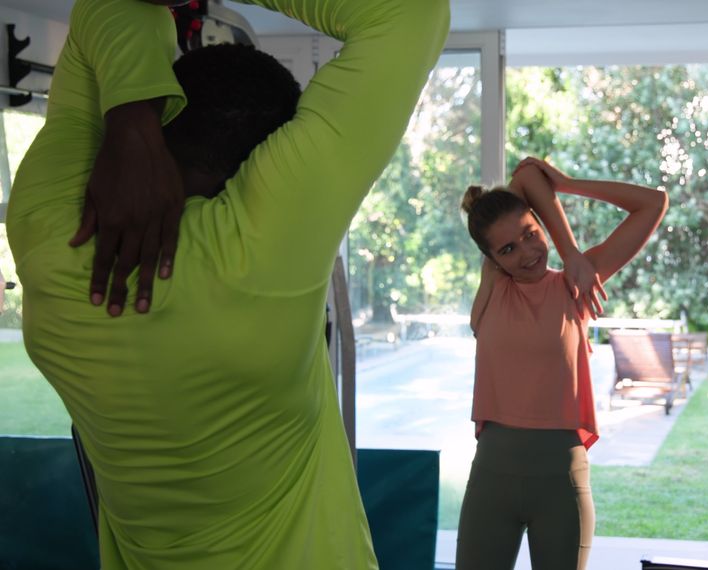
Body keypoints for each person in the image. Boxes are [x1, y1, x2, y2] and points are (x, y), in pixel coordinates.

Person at [5, 0, 448, 567]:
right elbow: (412, 13)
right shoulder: (261, 246)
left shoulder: (51, 237)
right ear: (265, 160)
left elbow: (108, 7)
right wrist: (133, 118)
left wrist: (132, 119)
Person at [455, 157, 668, 570]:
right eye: (508, 249)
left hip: (561, 486)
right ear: (493, 262)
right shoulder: (492, 292)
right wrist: (556, 239)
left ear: (541, 225)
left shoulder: (575, 285)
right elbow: (525, 180)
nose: (527, 252)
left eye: (531, 234)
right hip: (491, 482)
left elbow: (653, 203)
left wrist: (570, 234)